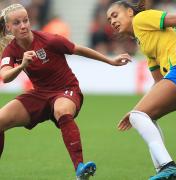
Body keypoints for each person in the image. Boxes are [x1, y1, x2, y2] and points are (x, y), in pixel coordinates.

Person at [0, 3, 131, 180]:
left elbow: (78, 49)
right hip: (40, 94)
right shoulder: (11, 50)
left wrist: (110, 60)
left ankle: (80, 168)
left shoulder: (49, 40)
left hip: (66, 90)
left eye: (26, 20)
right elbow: (5, 76)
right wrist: (22, 65)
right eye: (16, 23)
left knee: (62, 109)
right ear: (8, 27)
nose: (23, 25)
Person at [106, 0, 176, 180]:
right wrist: (135, 111)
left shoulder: (142, 19)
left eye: (115, 15)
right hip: (175, 75)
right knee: (143, 116)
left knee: (139, 116)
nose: (112, 22)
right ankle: (164, 171)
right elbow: (159, 82)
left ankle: (167, 167)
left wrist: (136, 113)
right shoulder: (143, 41)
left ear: (130, 12)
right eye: (109, 20)